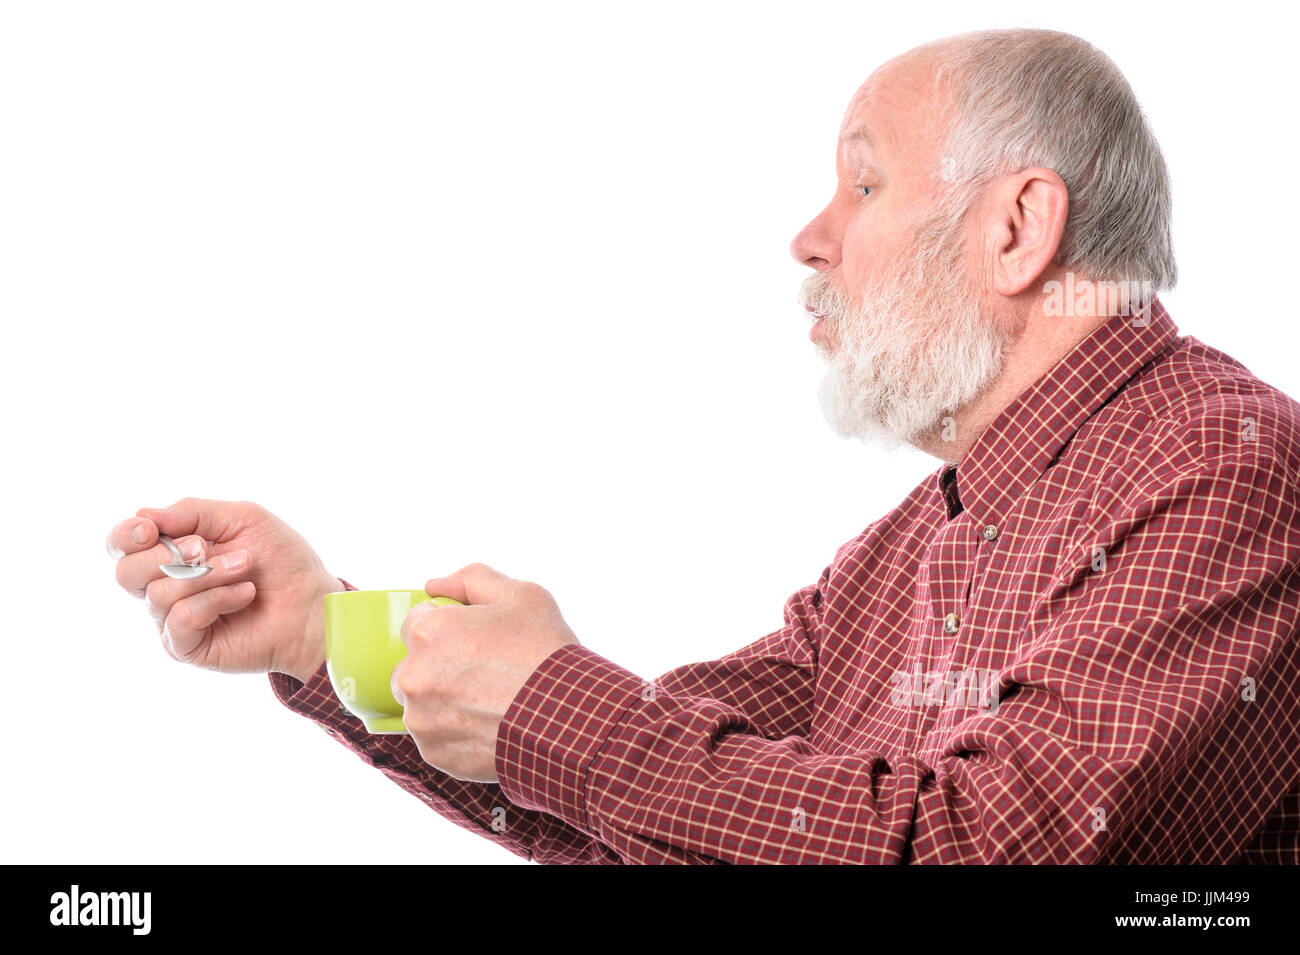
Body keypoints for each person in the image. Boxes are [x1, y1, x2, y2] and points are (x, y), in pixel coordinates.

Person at [107, 28, 1300, 864]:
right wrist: (329, 632)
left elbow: (987, 846)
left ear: (1016, 227)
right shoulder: (904, 548)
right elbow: (649, 809)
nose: (809, 237)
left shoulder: (1230, 467)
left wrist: (554, 711)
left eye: (863, 185)